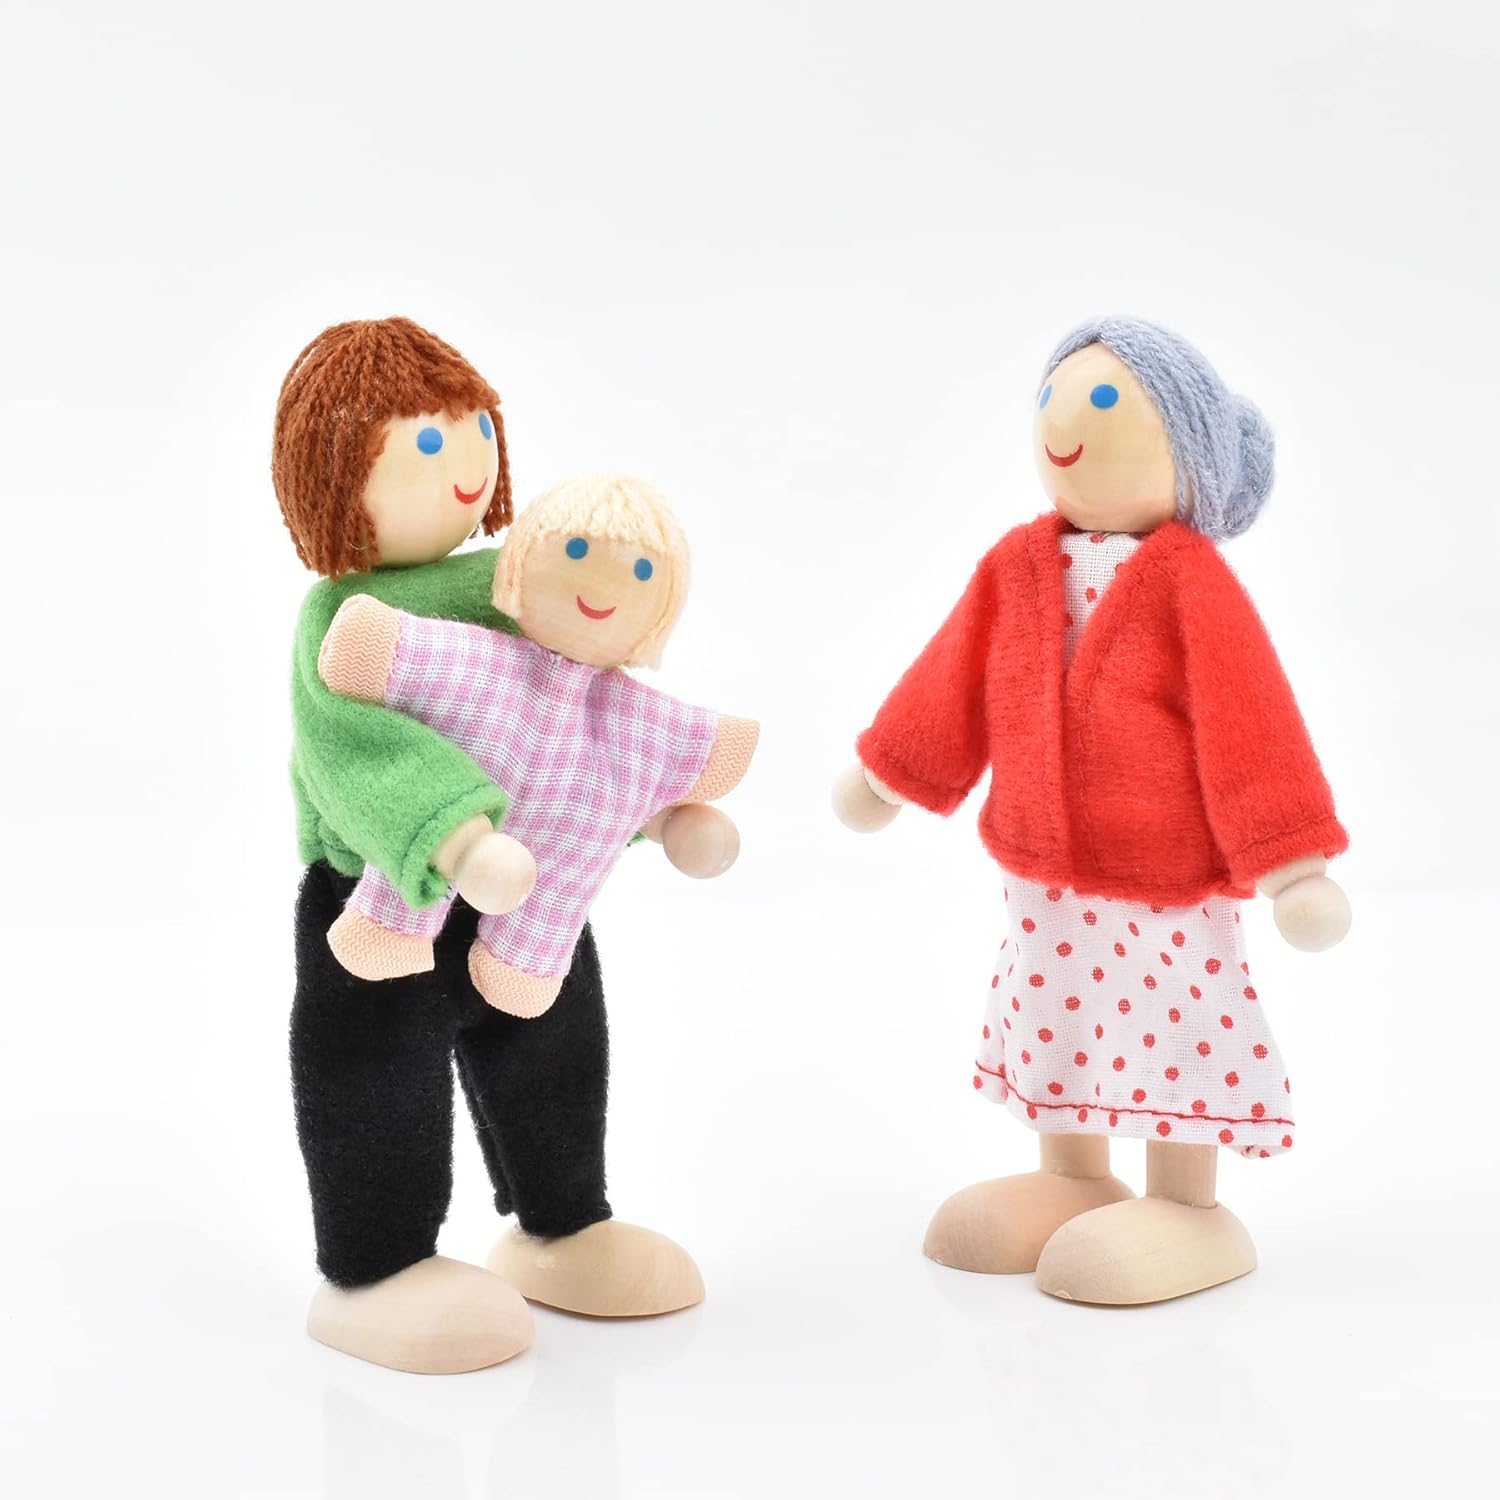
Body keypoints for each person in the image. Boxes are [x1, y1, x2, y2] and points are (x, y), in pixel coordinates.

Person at [834, 317, 1352, 1304]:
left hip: (1167, 878)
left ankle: (1187, 1202)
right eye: (1054, 398)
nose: (1063, 423)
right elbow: (953, 679)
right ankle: (1072, 1174)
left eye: (1104, 399)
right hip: (1043, 874)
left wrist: (1294, 866)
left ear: (1186, 449)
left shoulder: (1191, 582)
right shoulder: (1018, 563)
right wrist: (892, 772)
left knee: (1176, 1019)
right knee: (1056, 1007)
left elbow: (1250, 721)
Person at [275, 317, 710, 1372]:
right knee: (377, 1079)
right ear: (336, 468)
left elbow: (580, 712)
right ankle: (375, 1266)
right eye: (428, 442)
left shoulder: (515, 579)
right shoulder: (342, 616)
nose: (467, 464)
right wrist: (458, 837)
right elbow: (355, 753)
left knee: (555, 1053)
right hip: (383, 899)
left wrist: (658, 806)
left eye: (475, 430)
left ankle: (563, 1223)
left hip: (533, 895)